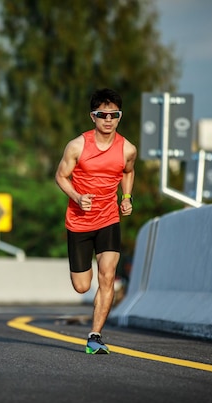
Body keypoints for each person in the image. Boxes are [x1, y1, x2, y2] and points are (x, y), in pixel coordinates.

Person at [55, 88, 137, 354]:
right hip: (78, 222)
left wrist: (127, 197)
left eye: (114, 115)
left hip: (108, 218)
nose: (108, 119)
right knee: (82, 286)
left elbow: (128, 171)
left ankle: (95, 336)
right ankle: (93, 329)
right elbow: (60, 176)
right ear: (93, 116)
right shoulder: (77, 145)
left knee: (108, 275)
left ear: (119, 117)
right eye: (102, 114)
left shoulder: (127, 149)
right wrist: (77, 198)